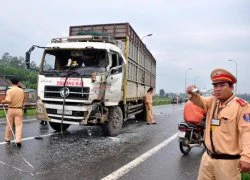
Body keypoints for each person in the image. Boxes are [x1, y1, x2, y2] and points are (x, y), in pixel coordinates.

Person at [186, 68, 250, 179]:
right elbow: (200, 101)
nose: (218, 89)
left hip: (228, 162)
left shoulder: (242, 107)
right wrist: (192, 93)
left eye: (222, 85)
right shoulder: (213, 101)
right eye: (215, 86)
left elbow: (247, 133)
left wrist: (247, 157)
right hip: (208, 158)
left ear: (231, 87)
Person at [1, 78, 24, 148]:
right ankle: (18, 141)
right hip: (19, 109)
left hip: (11, 109)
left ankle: (7, 139)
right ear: (18, 83)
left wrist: (3, 101)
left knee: (9, 125)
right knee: (18, 126)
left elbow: (9, 100)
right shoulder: (21, 91)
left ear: (11, 83)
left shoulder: (9, 91)